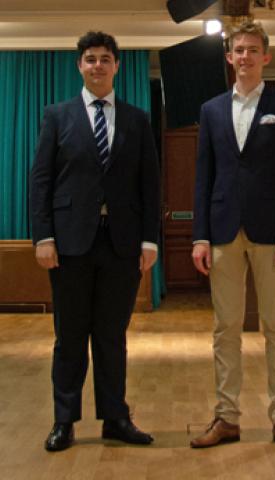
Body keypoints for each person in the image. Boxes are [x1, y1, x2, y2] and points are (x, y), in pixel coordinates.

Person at [30, 31, 160, 451]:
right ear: (80, 66)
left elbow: (149, 185)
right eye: (90, 59)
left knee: (111, 336)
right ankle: (64, 420)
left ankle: (115, 418)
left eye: (106, 59)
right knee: (70, 337)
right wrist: (43, 235)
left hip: (121, 244)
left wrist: (150, 241)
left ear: (117, 66)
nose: (98, 65)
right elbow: (42, 181)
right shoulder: (57, 115)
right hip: (69, 243)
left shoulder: (138, 119)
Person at [190, 20, 275, 450]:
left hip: (271, 235)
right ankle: (227, 417)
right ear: (229, 57)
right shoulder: (211, 109)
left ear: (266, 56)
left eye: (253, 50)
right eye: (238, 50)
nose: (245, 57)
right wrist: (199, 235)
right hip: (221, 232)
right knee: (225, 329)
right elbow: (203, 177)